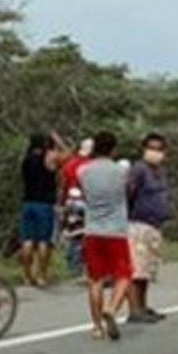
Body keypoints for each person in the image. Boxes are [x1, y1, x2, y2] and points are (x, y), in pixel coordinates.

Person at [77, 131, 134, 341]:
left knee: (95, 280)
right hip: (116, 230)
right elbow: (128, 190)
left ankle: (96, 327)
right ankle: (111, 308)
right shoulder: (121, 170)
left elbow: (84, 195)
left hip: (92, 230)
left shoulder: (84, 171)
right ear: (113, 149)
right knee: (124, 275)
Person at [126, 133, 170, 324]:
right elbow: (129, 192)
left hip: (154, 225)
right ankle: (134, 309)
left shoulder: (160, 171)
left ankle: (143, 306)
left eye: (159, 149)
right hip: (138, 224)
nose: (155, 152)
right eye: (151, 148)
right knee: (136, 268)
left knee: (146, 270)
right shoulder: (139, 170)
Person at [19, 133, 63, 287]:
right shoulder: (48, 158)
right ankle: (41, 275)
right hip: (44, 204)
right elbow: (68, 156)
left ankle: (26, 275)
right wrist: (58, 140)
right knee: (43, 241)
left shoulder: (25, 160)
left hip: (28, 202)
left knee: (27, 240)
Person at [58, 138, 94, 276]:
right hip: (87, 202)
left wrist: (61, 203)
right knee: (88, 235)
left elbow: (63, 186)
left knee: (74, 235)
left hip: (71, 202)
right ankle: (85, 266)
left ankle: (73, 266)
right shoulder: (92, 165)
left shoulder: (69, 165)